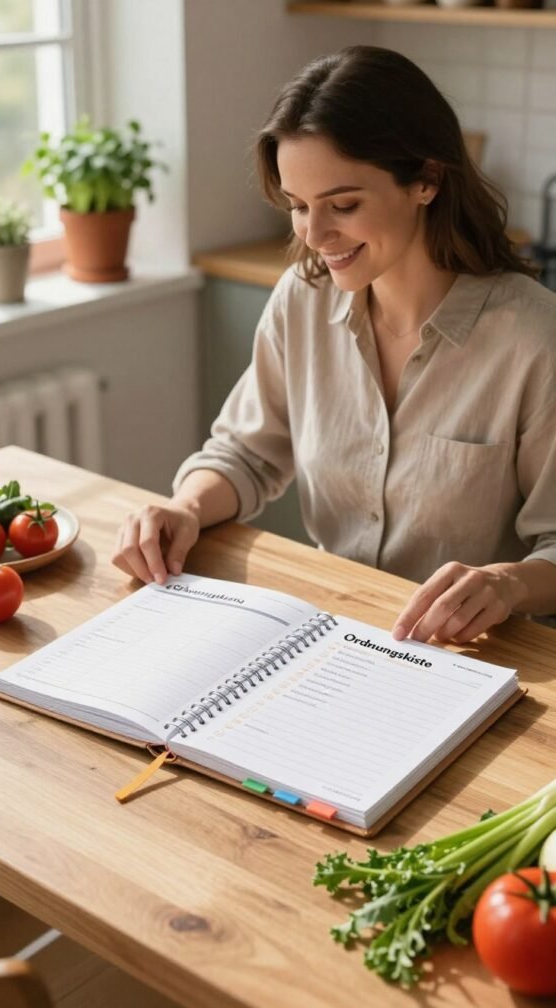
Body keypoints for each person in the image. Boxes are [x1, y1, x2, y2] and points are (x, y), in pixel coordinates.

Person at [113, 45, 556, 644]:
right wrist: (186, 507)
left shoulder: (531, 337)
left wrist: (505, 584)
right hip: (329, 632)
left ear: (426, 180)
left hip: (470, 655)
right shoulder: (303, 299)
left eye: (343, 205)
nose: (315, 236)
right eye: (298, 206)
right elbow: (247, 453)